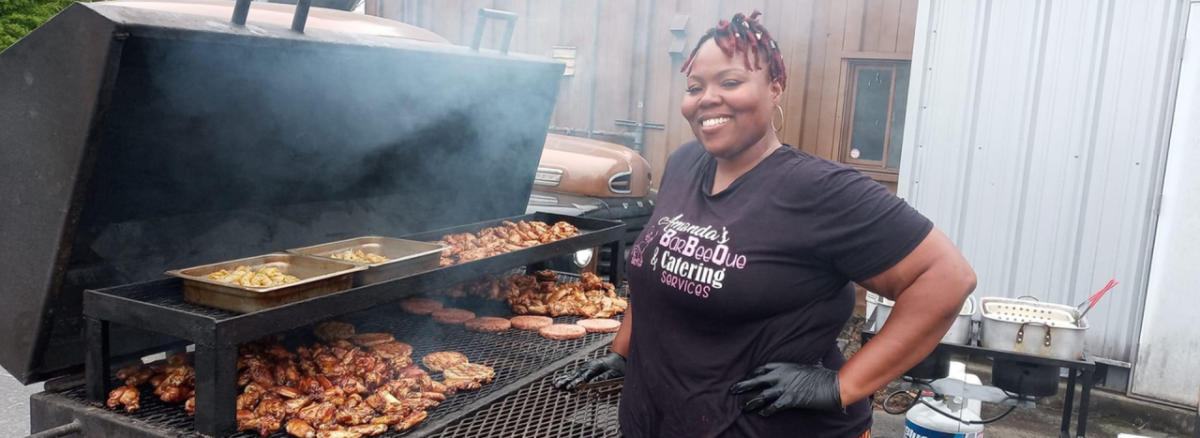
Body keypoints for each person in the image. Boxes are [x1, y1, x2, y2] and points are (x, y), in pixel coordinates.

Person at [552, 11, 977, 438]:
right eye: (695, 87)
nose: (707, 98)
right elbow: (656, 272)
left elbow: (946, 278)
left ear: (775, 89)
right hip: (661, 419)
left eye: (730, 83)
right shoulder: (684, 163)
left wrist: (842, 385)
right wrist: (624, 351)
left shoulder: (818, 189)